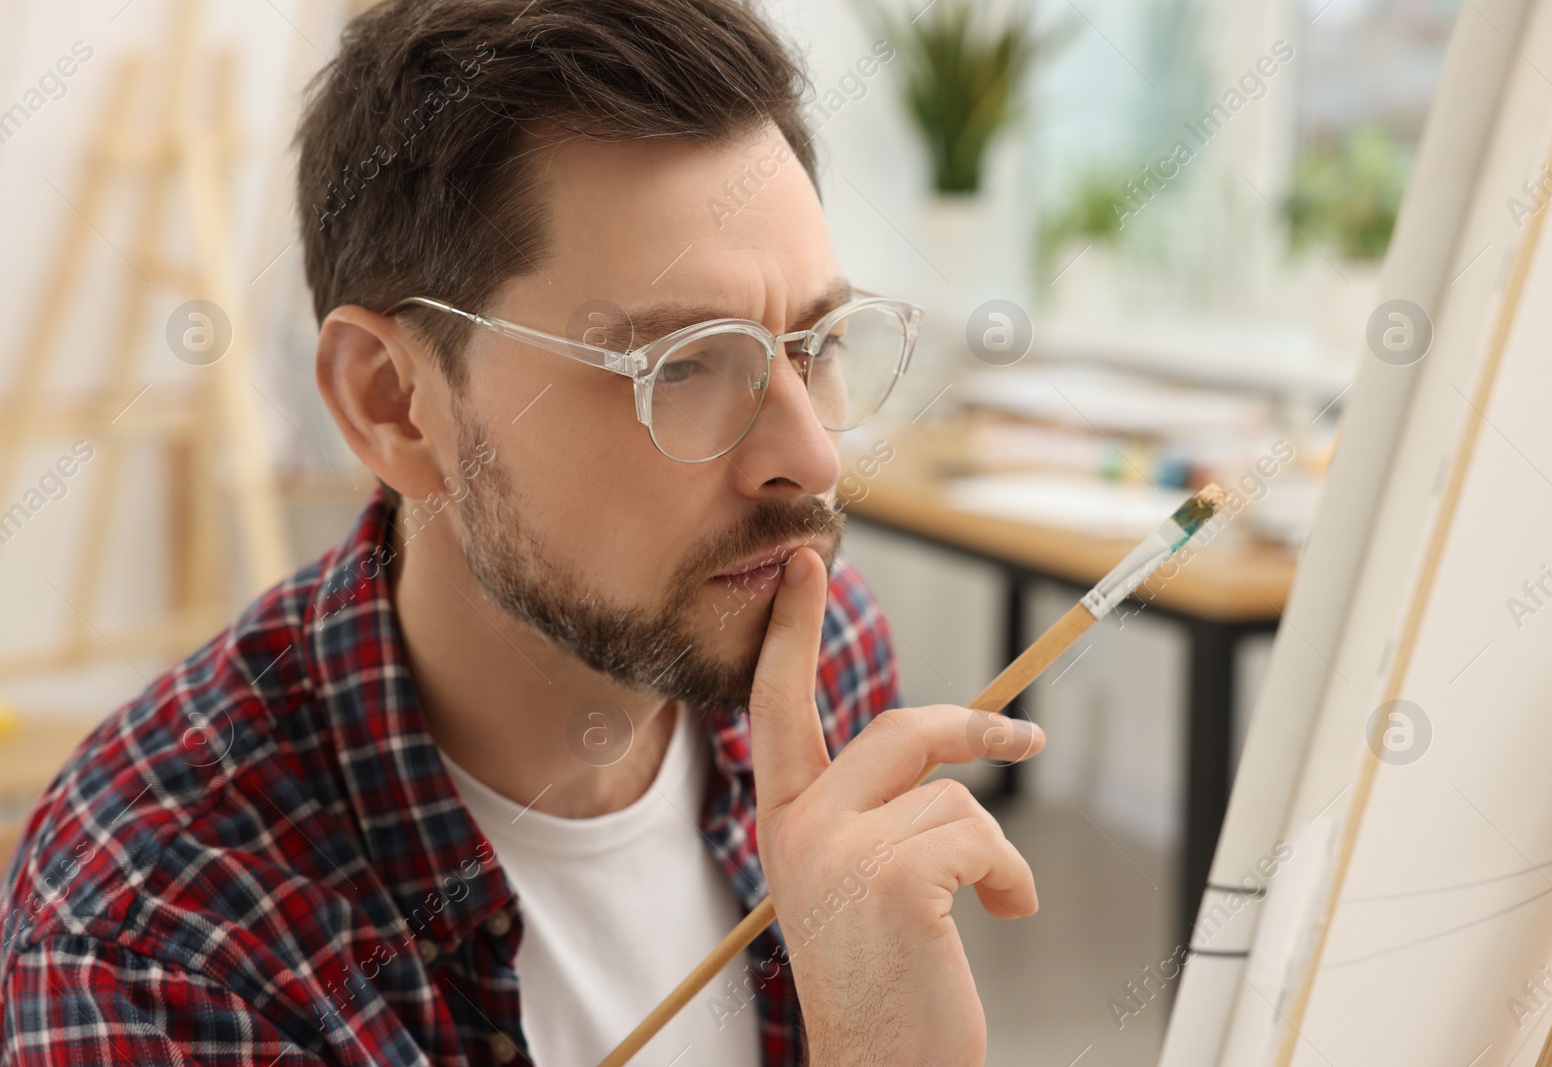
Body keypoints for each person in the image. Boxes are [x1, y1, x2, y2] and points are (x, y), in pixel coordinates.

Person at [0, 1, 1045, 1063]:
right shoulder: (150, 946)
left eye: (813, 343)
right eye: (681, 363)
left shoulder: (820, 650)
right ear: (392, 403)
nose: (814, 459)